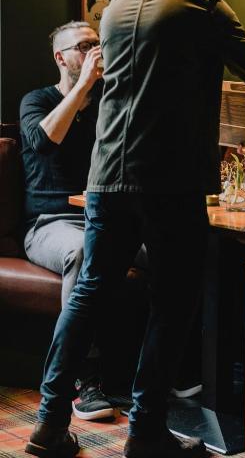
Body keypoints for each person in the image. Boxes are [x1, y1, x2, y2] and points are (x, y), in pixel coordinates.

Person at [26, 0, 245, 458]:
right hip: (168, 181)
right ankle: (146, 430)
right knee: (173, 301)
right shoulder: (203, 2)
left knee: (89, 292)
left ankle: (49, 422)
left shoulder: (115, 9)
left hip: (106, 178)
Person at [20, 21, 116, 421]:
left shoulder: (110, 101)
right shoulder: (37, 100)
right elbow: (44, 141)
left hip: (105, 218)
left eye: (98, 42)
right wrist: (83, 87)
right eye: (83, 45)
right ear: (61, 57)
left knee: (172, 250)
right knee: (81, 251)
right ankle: (83, 379)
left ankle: (180, 370)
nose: (94, 50)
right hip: (49, 224)